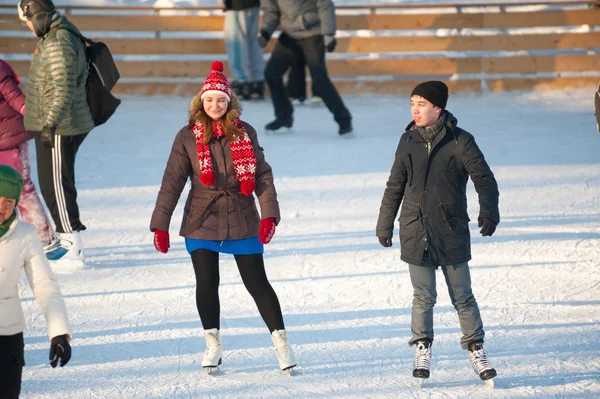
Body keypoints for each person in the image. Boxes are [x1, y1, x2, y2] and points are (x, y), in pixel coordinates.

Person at [150, 61, 296, 373]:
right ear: (200, 103)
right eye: (209, 99)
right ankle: (212, 344)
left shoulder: (244, 132)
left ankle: (281, 342)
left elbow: (262, 176)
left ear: (229, 102)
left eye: (221, 99)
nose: (215, 105)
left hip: (242, 216)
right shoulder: (187, 137)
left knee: (257, 283)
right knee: (206, 282)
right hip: (201, 219)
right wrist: (160, 224)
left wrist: (269, 215)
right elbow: (172, 182)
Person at [375, 81, 499, 383]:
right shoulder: (407, 141)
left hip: (450, 228)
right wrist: (384, 222)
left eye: (421, 104)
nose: (415, 110)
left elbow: (483, 178)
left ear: (438, 108)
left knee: (462, 296)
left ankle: (475, 349)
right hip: (416, 228)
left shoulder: (461, 141)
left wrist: (489, 211)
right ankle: (422, 346)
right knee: (423, 296)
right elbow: (395, 185)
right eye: (412, 103)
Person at [18, 0, 94, 265]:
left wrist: (50, 123)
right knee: (54, 183)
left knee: (57, 185)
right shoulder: (55, 37)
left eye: (28, 20)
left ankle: (70, 242)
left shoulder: (58, 41)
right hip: (56, 122)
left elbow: (62, 87)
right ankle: (66, 237)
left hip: (59, 124)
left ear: (38, 16)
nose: (27, 26)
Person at [0, 165, 72, 399]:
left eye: (8, 202)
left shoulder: (24, 234)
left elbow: (45, 284)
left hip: (7, 337)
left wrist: (59, 333)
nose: (2, 208)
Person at [258, 0, 353, 135]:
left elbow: (325, 5)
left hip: (313, 33)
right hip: (290, 34)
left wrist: (329, 34)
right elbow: (271, 11)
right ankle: (284, 117)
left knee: (319, 80)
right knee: (272, 74)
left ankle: (344, 120)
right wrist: (265, 31)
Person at [0, 58, 57, 251]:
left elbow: (13, 95)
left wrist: (30, 111)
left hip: (11, 137)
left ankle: (43, 238)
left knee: (21, 187)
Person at [218, 0, 265, 100]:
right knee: (252, 41)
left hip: (237, 5)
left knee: (236, 41)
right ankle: (256, 81)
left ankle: (241, 81)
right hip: (253, 4)